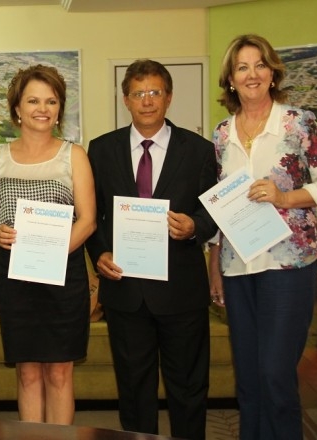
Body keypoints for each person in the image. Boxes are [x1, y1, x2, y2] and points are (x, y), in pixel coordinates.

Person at [208, 34, 317, 440]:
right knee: (249, 379)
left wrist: (287, 196)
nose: (252, 74)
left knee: (275, 374)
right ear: (230, 80)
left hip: (289, 266)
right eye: (242, 67)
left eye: (259, 65)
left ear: (272, 73)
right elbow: (220, 206)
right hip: (237, 265)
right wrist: (214, 265)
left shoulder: (298, 123)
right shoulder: (221, 134)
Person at [85, 59, 217, 439]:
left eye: (155, 92)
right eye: (138, 93)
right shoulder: (102, 149)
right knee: (134, 388)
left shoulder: (198, 150)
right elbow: (93, 216)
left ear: (169, 97)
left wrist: (195, 226)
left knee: (189, 387)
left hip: (181, 290)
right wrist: (100, 254)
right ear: (125, 99)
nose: (147, 101)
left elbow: (211, 211)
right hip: (126, 290)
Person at [0, 65, 96, 425]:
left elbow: (89, 220)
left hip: (64, 275)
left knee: (60, 373)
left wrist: (49, 252)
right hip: (16, 278)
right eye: (33, 100)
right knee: (28, 373)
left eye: (51, 101)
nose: (42, 108)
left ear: (60, 108)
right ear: (17, 108)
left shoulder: (73, 155)